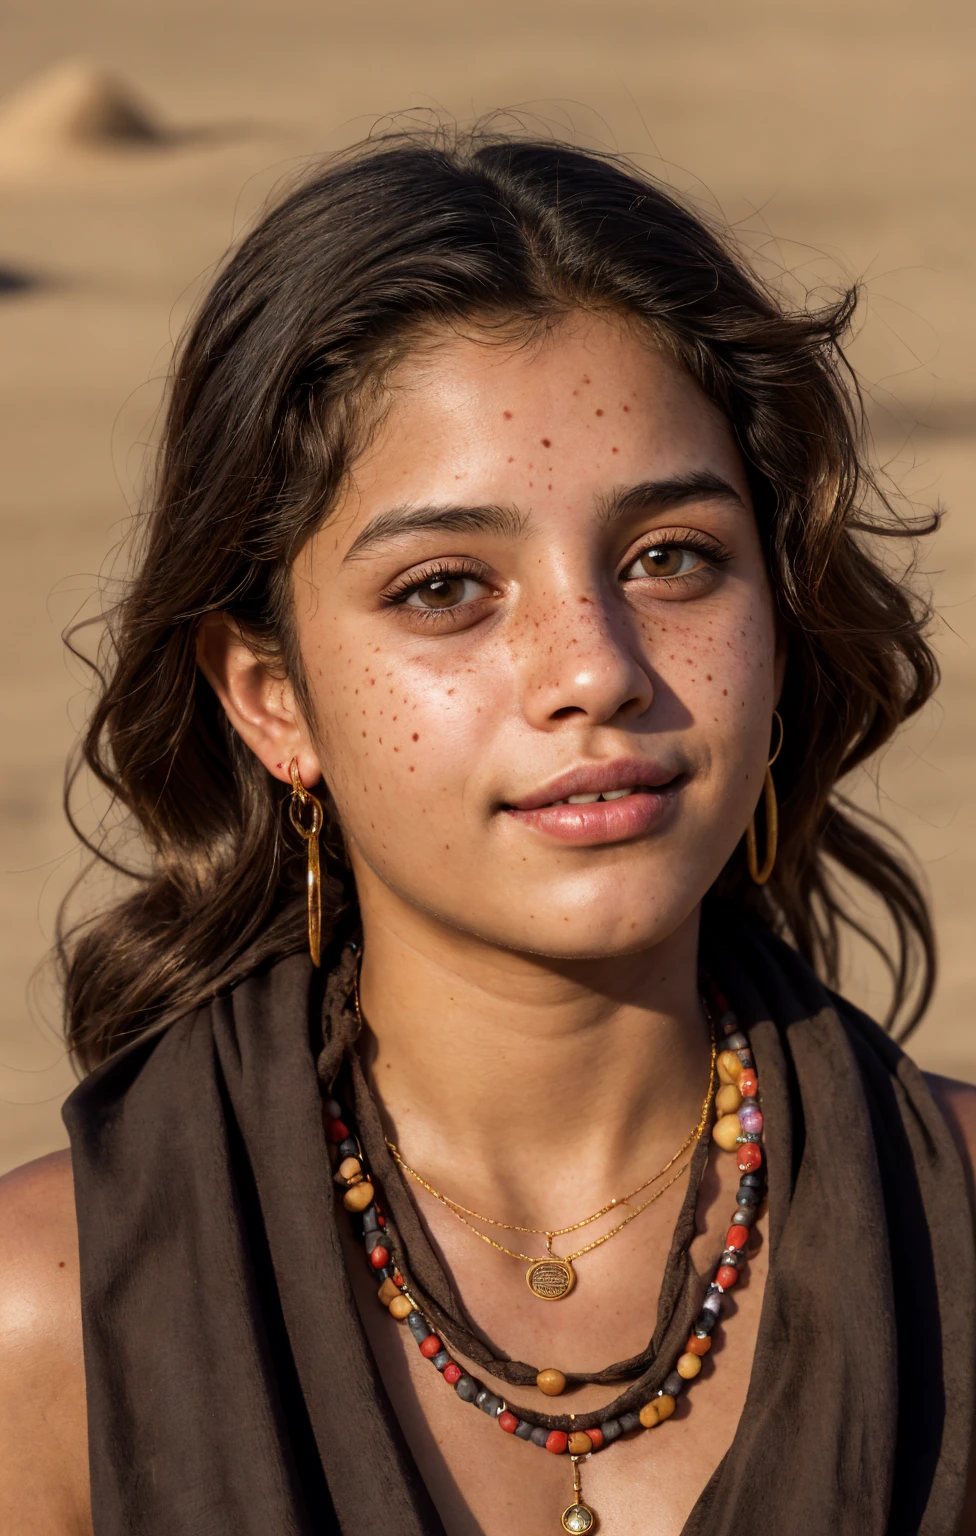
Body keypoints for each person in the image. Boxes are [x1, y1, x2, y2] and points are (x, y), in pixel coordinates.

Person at [0, 129, 973, 1536]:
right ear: (274, 699)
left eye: (671, 558)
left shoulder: (958, 1245)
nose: (594, 667)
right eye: (448, 587)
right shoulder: (58, 1319)